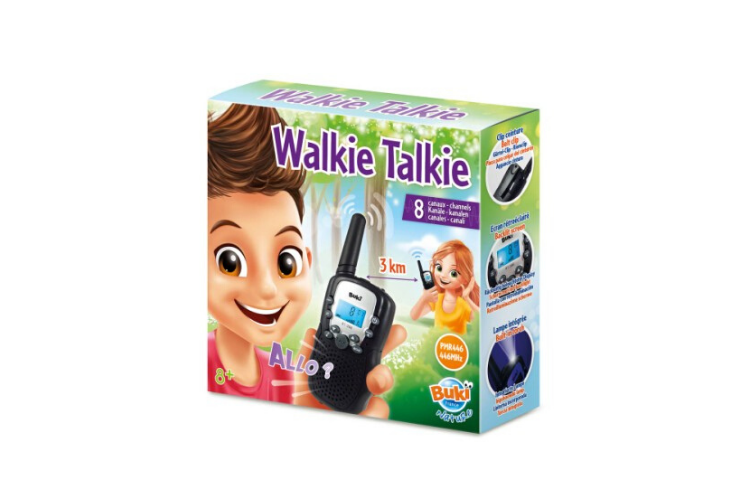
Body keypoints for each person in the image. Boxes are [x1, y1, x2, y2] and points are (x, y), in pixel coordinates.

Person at [207, 104, 405, 417]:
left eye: (286, 263)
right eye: (230, 262)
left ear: (306, 261)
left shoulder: (291, 378)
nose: (268, 288)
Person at [410, 240, 480, 334]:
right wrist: (423, 298)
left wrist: (467, 298)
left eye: (453, 273)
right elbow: (414, 316)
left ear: (465, 279)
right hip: (437, 342)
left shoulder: (463, 305)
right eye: (439, 268)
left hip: (458, 343)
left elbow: (481, 321)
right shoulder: (437, 299)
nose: (443, 275)